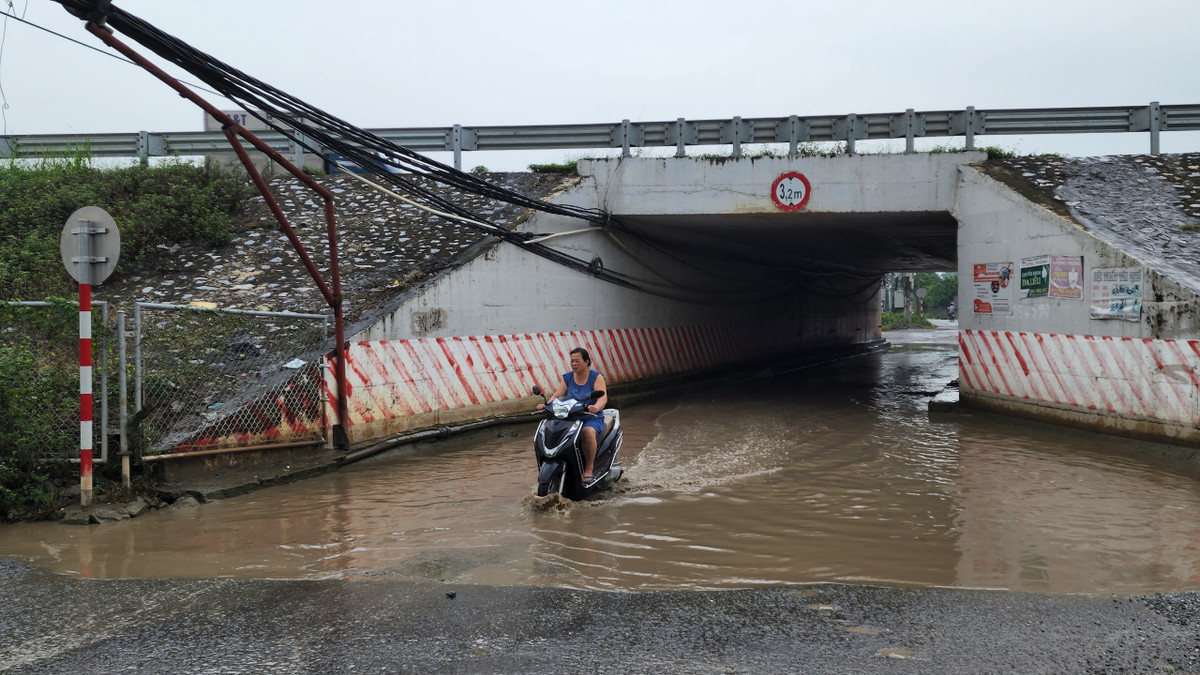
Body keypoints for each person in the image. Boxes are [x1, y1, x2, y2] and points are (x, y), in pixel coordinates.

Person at [536, 347, 608, 483]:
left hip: (590, 417)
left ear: (586, 362)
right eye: (572, 361)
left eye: (577, 361)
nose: (574, 364)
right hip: (570, 417)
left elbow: (602, 398)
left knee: (587, 432)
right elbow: (558, 395)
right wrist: (547, 405)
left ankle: (589, 467)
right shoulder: (568, 377)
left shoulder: (596, 377)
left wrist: (596, 407)